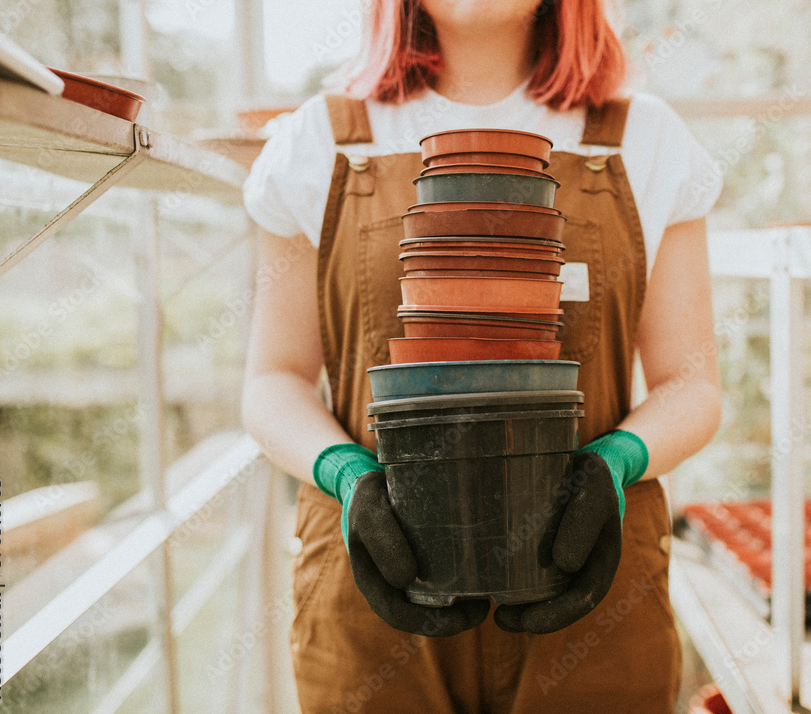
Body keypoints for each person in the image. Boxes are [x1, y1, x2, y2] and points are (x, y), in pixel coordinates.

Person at [241, 0, 723, 711]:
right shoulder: (322, 140)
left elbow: (692, 383)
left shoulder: (645, 138)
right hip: (374, 594)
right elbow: (272, 379)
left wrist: (616, 461)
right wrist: (343, 475)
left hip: (590, 590)